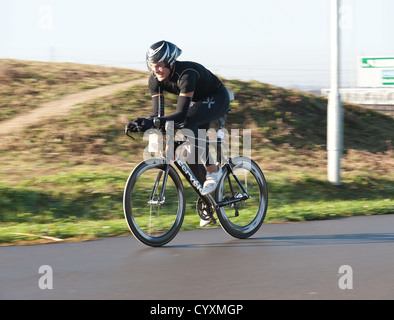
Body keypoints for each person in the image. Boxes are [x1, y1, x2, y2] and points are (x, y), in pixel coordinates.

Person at [127, 40, 230, 226]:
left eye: (159, 66)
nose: (156, 70)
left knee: (188, 123)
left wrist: (154, 121)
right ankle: (210, 201)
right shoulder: (154, 80)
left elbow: (181, 115)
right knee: (190, 152)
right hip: (197, 102)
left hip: (216, 98)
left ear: (170, 62)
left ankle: (213, 171)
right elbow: (157, 114)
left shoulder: (186, 74)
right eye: (152, 66)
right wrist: (142, 122)